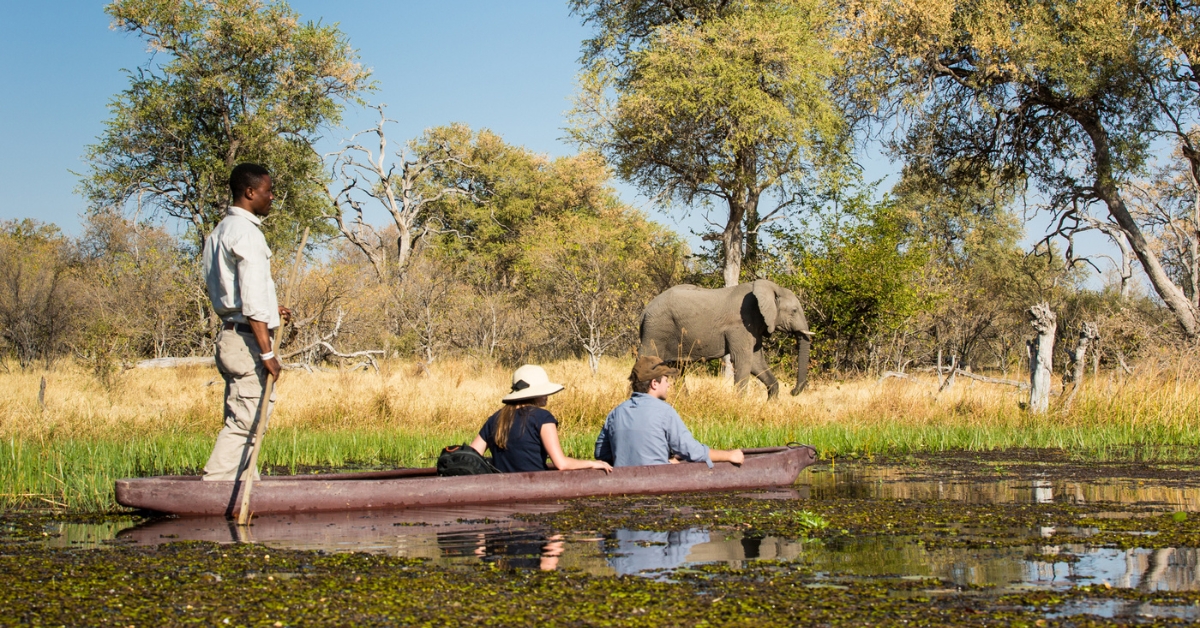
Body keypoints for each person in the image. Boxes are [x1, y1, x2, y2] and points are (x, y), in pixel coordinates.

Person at [200, 163, 291, 481]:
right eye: (267, 191)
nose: (271, 197)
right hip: (247, 340)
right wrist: (267, 353)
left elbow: (232, 292)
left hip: (231, 334)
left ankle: (242, 486)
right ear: (249, 192)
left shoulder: (219, 231)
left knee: (245, 417)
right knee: (247, 423)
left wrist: (271, 307)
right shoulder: (246, 233)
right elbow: (250, 301)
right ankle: (215, 490)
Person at [595, 356, 744, 468]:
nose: (669, 385)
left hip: (623, 486)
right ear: (654, 383)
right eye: (666, 380)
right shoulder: (665, 412)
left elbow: (601, 453)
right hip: (658, 485)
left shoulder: (615, 413)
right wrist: (730, 455)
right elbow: (691, 450)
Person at [469, 365, 613, 474]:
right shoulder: (543, 418)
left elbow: (472, 456)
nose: (546, 395)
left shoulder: (495, 418)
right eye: (542, 390)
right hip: (535, 491)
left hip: (502, 492)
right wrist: (592, 463)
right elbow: (561, 464)